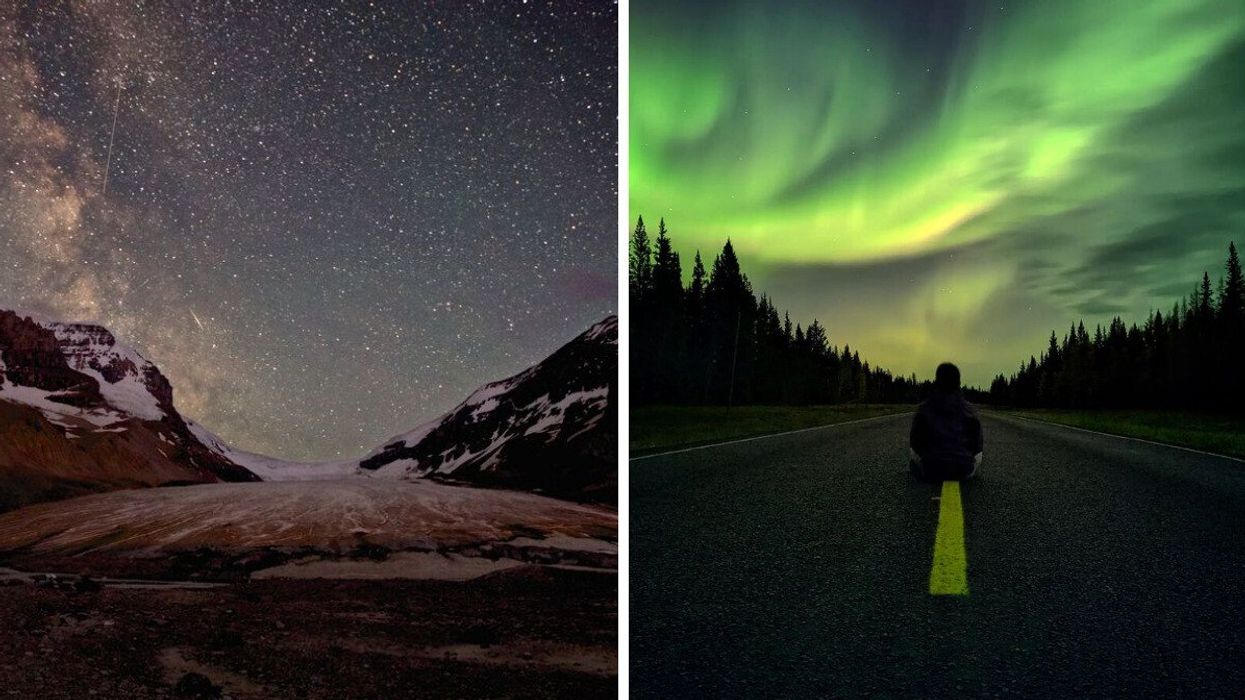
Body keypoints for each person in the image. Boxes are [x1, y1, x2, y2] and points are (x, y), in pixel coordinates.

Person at [909, 362, 983, 481]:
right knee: (978, 454)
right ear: (958, 383)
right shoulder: (970, 410)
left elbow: (915, 443)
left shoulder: (924, 408)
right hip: (963, 471)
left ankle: (921, 470)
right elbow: (977, 447)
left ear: (937, 382)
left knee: (913, 452)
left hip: (931, 470)